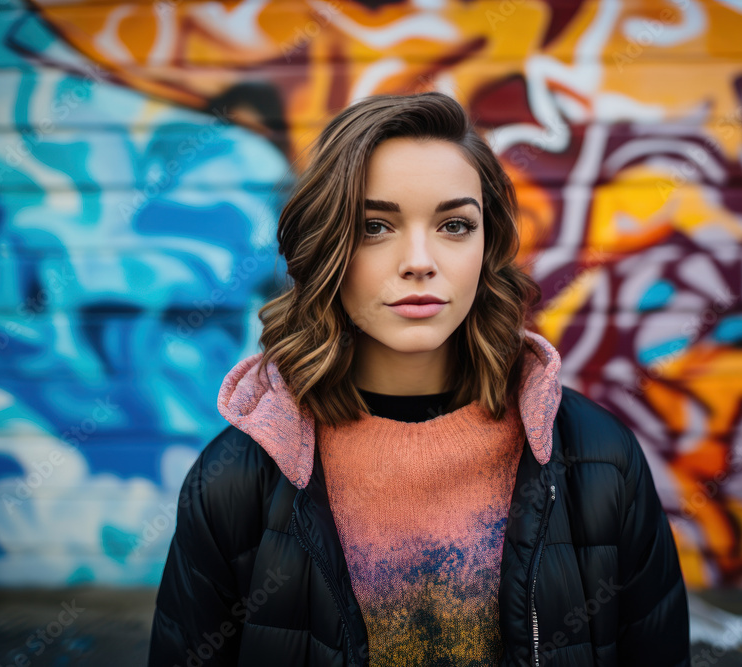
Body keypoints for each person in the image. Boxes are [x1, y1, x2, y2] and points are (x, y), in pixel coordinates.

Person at [148, 91, 690, 667]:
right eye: (375, 226)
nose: (419, 260)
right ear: (325, 245)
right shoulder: (236, 479)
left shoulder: (599, 460)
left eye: (454, 225)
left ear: (488, 247)